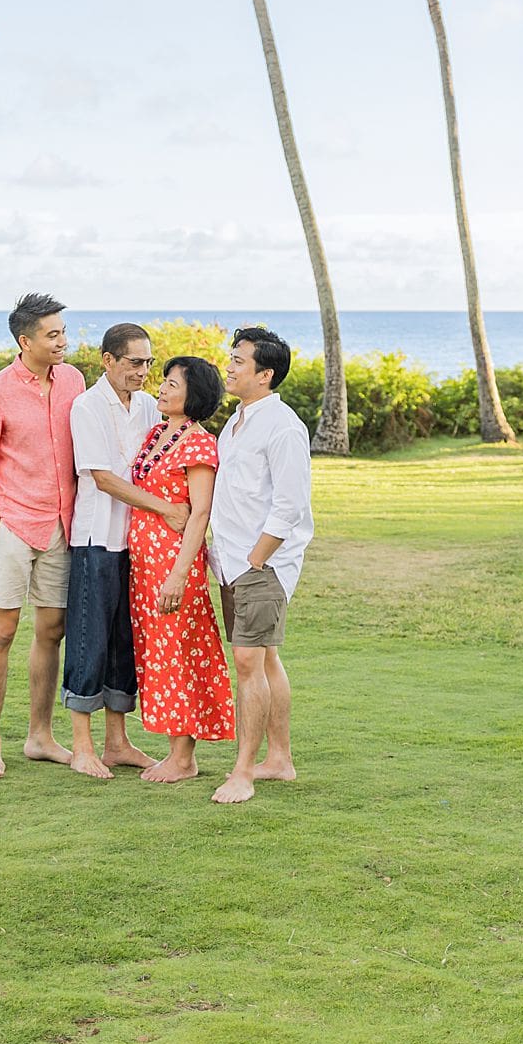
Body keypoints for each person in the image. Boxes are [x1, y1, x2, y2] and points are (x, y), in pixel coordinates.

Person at [0, 292, 84, 778]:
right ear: (24, 340)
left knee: (52, 631)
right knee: (3, 631)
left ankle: (40, 736)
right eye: (52, 334)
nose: (62, 342)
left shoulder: (73, 379)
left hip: (62, 526)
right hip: (14, 526)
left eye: (63, 332)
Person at [63, 324, 191, 779]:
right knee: (88, 640)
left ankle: (117, 743)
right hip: (96, 541)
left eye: (149, 363)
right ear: (108, 361)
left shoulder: (146, 408)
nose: (143, 372)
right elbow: (103, 478)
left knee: (123, 644)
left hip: (137, 546)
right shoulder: (86, 406)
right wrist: (166, 509)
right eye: (135, 362)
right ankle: (82, 748)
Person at [208, 326, 314, 805]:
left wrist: (256, 561)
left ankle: (243, 772)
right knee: (265, 658)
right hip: (232, 564)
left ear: (265, 374)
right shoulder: (235, 422)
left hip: (261, 568)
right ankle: (280, 760)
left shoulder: (283, 426)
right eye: (231, 358)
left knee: (248, 662)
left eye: (239, 361)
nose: (229, 367)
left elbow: (289, 507)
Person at [129, 355, 235, 783]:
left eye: (173, 384)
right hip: (144, 564)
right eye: (165, 382)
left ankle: (183, 757)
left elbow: (200, 511)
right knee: (158, 653)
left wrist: (176, 573)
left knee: (179, 653)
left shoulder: (198, 443)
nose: (163, 388)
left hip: (175, 564)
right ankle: (175, 749)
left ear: (195, 395)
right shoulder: (157, 433)